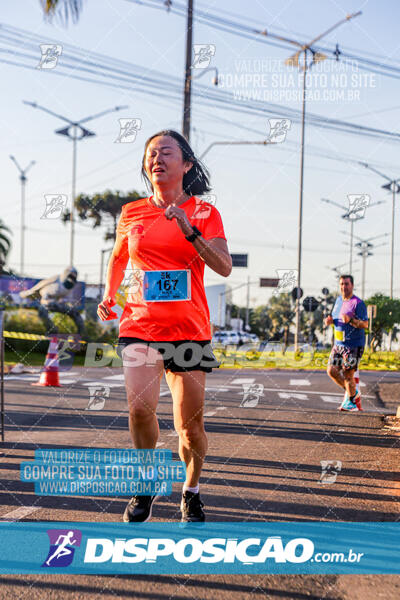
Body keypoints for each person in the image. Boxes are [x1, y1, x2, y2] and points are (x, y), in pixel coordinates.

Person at [97, 130, 232, 523]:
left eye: (166, 152)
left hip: (188, 329)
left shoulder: (206, 213)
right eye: (151, 154)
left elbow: (223, 265)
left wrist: (189, 229)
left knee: (189, 426)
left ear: (186, 164)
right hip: (140, 324)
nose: (157, 159)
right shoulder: (131, 213)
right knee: (139, 410)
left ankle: (191, 490)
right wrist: (111, 296)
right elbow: (120, 260)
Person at [325, 275, 368, 411]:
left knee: (348, 374)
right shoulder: (338, 301)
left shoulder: (358, 303)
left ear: (352, 285)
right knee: (331, 371)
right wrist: (331, 321)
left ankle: (351, 403)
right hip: (338, 345)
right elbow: (338, 320)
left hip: (353, 345)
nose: (344, 287)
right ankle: (353, 393)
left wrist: (351, 320)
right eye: (342, 284)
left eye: (347, 284)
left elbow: (365, 324)